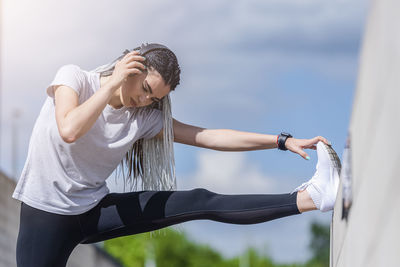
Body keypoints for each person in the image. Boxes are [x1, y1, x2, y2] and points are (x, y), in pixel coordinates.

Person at [12, 43, 341, 267]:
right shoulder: (73, 79)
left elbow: (209, 136)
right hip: (46, 215)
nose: (145, 102)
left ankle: (312, 198)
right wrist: (111, 86)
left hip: (92, 209)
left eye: (155, 99)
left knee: (200, 200)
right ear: (130, 66)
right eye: (145, 90)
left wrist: (282, 141)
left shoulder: (144, 119)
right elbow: (69, 129)